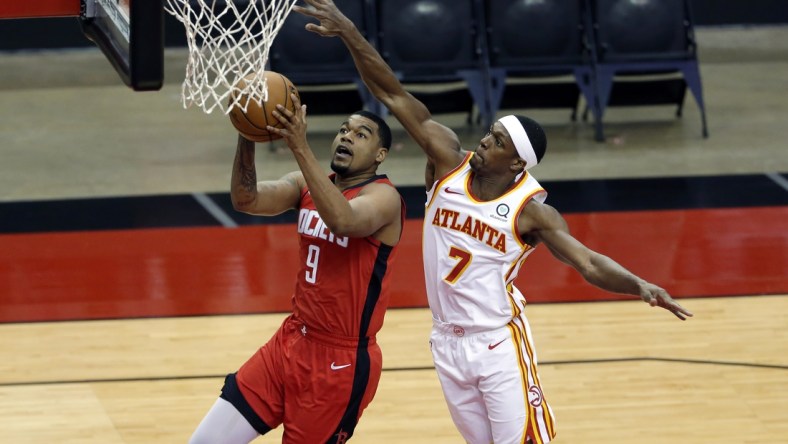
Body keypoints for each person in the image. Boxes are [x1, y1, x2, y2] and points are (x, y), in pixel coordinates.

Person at [293, 2, 694, 443]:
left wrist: (639, 285)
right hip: (445, 342)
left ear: (517, 162)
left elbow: (588, 263)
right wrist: (350, 31)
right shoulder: (448, 160)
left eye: (497, 141)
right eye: (489, 132)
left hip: (497, 344)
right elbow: (392, 94)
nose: (484, 141)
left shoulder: (531, 212)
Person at [188, 92, 405, 443]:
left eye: (361, 134)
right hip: (291, 340)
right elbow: (247, 199)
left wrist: (300, 146)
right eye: (343, 129)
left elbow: (344, 221)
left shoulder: (384, 198)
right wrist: (248, 129)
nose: (346, 136)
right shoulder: (306, 185)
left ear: (380, 156)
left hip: (341, 362)